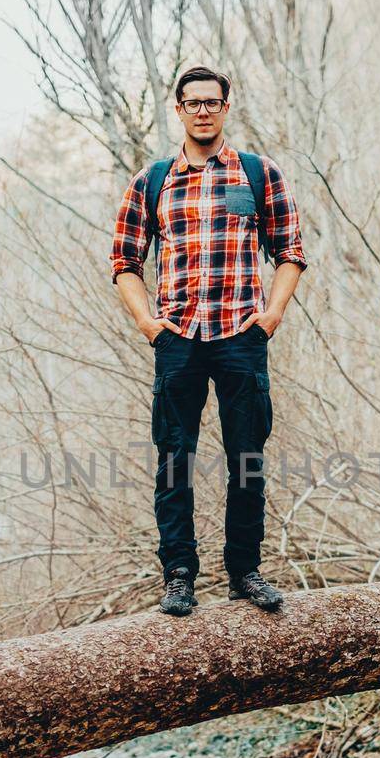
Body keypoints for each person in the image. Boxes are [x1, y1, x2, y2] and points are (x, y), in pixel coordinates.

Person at [109, 65, 308, 616]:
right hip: (179, 338)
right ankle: (178, 575)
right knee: (174, 461)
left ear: (226, 107)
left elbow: (290, 252)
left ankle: (245, 571)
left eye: (212, 102)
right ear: (178, 109)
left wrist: (270, 316)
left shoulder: (258, 174)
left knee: (246, 457)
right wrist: (149, 324)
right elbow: (125, 262)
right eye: (192, 102)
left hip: (242, 336)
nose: (203, 110)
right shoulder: (152, 182)